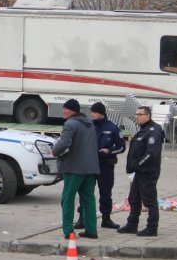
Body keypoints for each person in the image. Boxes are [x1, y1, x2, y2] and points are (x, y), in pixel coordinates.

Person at [52, 99, 101, 240]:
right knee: (88, 199)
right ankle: (91, 230)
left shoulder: (70, 124)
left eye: (66, 109)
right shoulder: (89, 123)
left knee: (67, 199)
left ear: (72, 110)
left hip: (73, 168)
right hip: (90, 168)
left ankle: (68, 231)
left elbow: (65, 142)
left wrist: (55, 151)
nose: (64, 111)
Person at [74, 102, 126, 230]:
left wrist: (110, 151)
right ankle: (82, 218)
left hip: (105, 166)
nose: (92, 114)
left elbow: (122, 146)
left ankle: (106, 218)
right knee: (85, 193)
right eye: (92, 112)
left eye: (95, 112)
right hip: (89, 165)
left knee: (106, 192)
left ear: (101, 113)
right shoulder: (89, 126)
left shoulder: (112, 128)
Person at [118, 106, 164, 237]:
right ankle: (132, 224)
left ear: (148, 115)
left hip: (147, 172)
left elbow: (151, 153)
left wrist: (138, 164)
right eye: (136, 114)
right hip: (140, 172)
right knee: (134, 198)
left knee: (149, 201)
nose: (137, 117)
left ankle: (152, 228)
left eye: (140, 114)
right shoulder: (143, 130)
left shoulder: (153, 131)